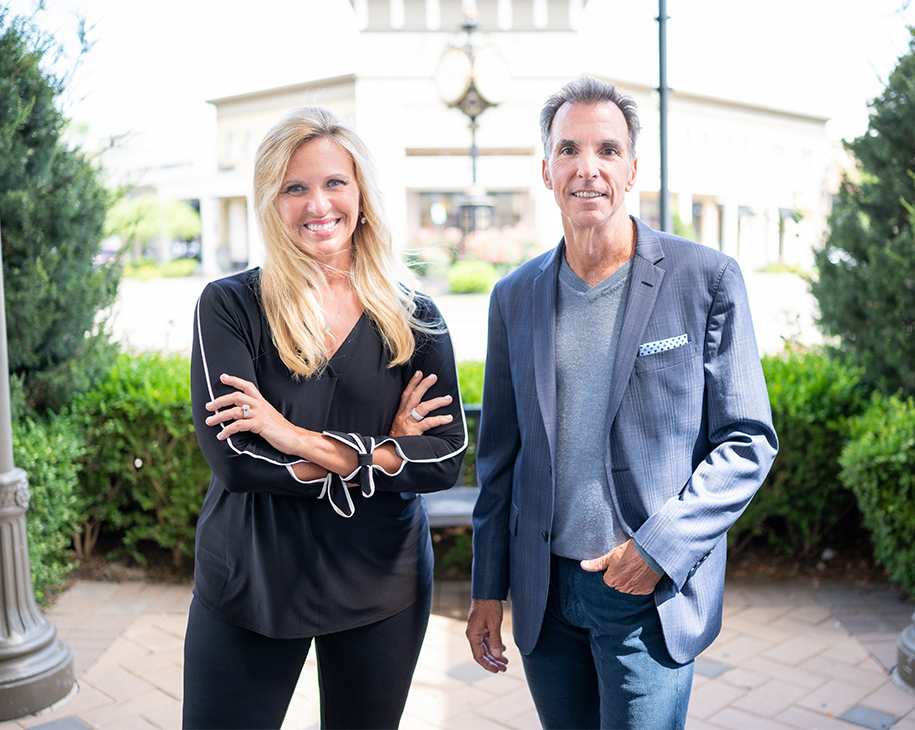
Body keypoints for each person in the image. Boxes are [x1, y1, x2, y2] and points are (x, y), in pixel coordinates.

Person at [466, 77, 778, 729]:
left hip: (645, 588)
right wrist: (486, 587)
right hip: (544, 595)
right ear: (546, 169)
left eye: (607, 149)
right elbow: (500, 458)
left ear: (632, 169)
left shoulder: (706, 279)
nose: (587, 167)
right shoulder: (514, 296)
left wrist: (659, 548)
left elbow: (748, 441)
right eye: (569, 149)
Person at [183, 106, 466, 730]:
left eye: (335, 182)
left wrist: (290, 435)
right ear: (271, 202)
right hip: (253, 577)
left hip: (380, 581)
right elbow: (236, 461)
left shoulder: (414, 317)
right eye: (296, 187)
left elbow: (444, 458)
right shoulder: (230, 307)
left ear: (362, 193)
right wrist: (383, 452)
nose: (319, 204)